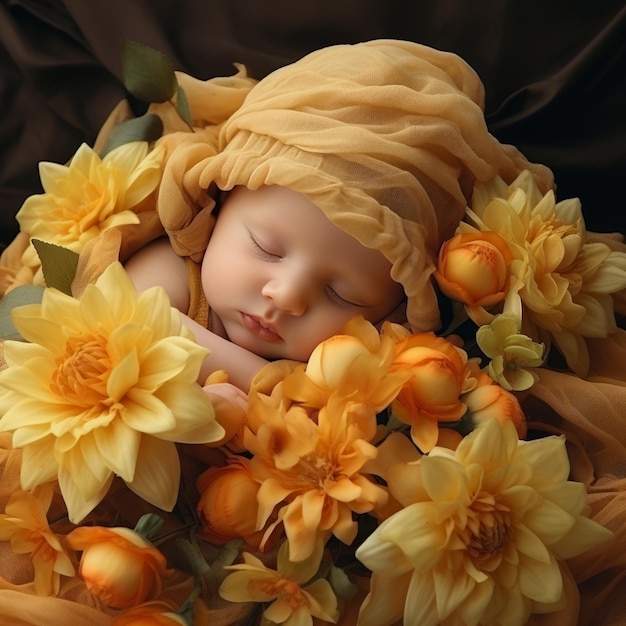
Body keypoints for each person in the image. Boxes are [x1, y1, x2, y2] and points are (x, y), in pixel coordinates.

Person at [119, 39, 554, 391]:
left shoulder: (364, 379)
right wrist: (269, 389)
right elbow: (130, 319)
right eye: (266, 248)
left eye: (344, 295)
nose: (287, 296)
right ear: (220, 202)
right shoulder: (176, 273)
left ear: (393, 315)